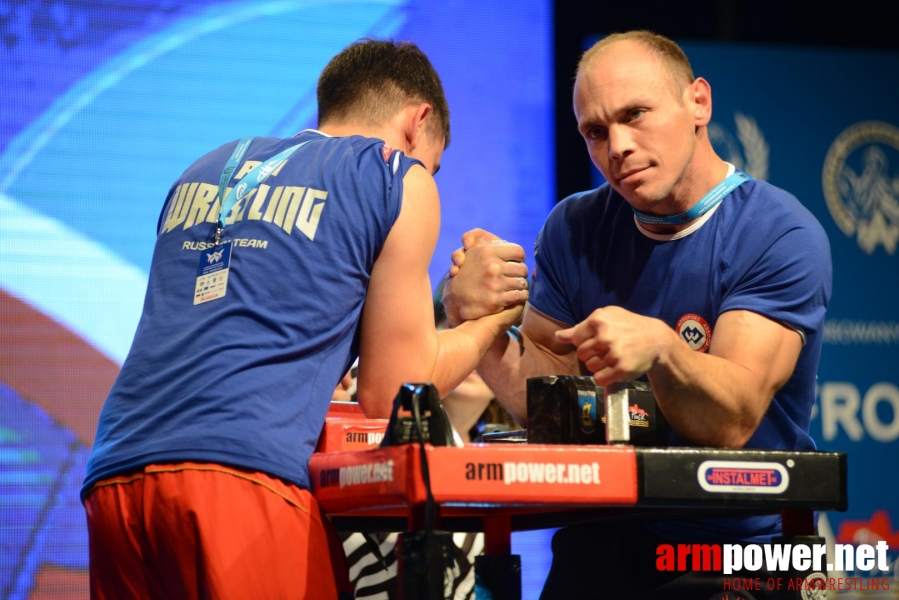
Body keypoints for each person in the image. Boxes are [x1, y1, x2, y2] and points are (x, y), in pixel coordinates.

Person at [81, 39, 522, 600]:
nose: (426, 173)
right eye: (432, 163)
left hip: (115, 478)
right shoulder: (396, 177)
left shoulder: (207, 167)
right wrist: (489, 322)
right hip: (239, 480)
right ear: (418, 122)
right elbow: (394, 392)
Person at [442, 30, 832, 598]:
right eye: (595, 132)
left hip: (739, 546)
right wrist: (479, 322)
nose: (616, 147)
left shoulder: (778, 232)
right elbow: (550, 406)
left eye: (635, 115)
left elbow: (733, 420)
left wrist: (663, 349)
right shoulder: (572, 226)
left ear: (698, 102)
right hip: (605, 535)